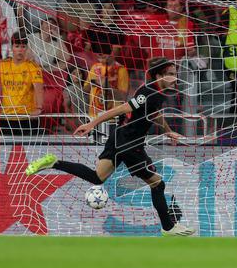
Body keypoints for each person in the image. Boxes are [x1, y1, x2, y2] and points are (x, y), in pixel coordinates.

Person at [26, 57, 195, 237]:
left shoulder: (157, 93)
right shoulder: (148, 92)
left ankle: (54, 163)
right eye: (170, 75)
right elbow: (122, 109)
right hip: (130, 144)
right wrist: (93, 124)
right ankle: (168, 228)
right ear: (158, 76)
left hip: (119, 138)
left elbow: (155, 113)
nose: (175, 78)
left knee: (97, 178)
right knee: (157, 183)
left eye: (175, 74)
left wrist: (168, 131)